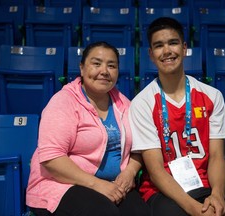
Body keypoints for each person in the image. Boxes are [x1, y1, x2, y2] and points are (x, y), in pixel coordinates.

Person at [129, 17, 225, 216]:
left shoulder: (212, 96)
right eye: (159, 46)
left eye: (173, 43)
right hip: (164, 192)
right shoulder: (142, 103)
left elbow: (217, 156)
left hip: (210, 185)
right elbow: (156, 171)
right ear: (151, 54)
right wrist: (195, 209)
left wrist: (218, 195)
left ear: (184, 48)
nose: (167, 51)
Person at [26, 41, 150, 216]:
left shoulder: (124, 104)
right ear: (82, 68)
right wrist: (97, 184)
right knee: (105, 213)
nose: (104, 71)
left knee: (141, 213)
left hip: (112, 184)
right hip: (62, 184)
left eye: (111, 65)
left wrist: (130, 172)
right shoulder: (63, 102)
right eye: (96, 64)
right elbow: (52, 159)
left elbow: (139, 148)